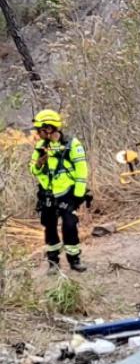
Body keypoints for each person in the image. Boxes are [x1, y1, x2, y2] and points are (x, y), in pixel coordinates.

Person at [29, 109, 90, 273]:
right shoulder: (40, 147)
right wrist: (40, 163)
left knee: (70, 226)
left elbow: (82, 171)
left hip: (68, 194)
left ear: (49, 128)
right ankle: (53, 262)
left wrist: (78, 195)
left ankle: (74, 259)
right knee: (49, 227)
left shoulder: (72, 144)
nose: (37, 133)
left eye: (40, 130)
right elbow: (33, 170)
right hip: (47, 194)